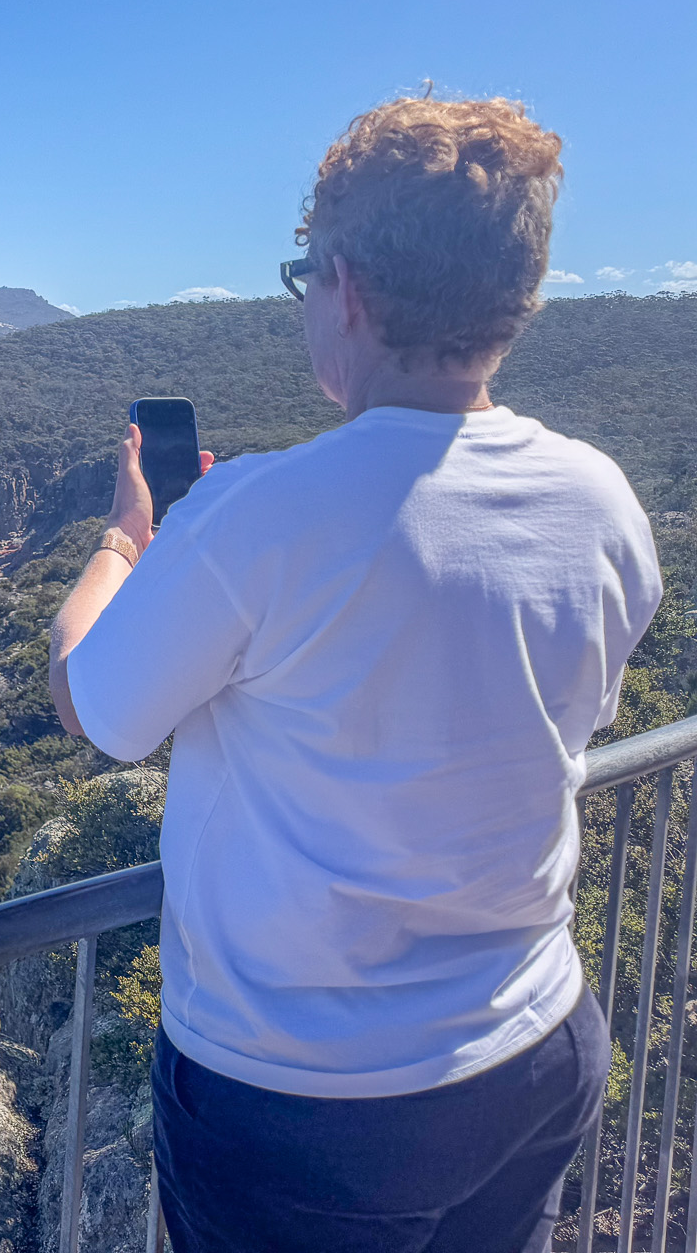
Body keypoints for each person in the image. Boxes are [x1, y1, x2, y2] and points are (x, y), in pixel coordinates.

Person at [48, 96, 662, 1251]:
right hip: (530, 1050)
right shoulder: (599, 498)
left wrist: (124, 545)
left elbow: (94, 705)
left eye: (300, 278)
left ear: (349, 292)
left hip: (306, 1110)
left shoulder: (258, 514)